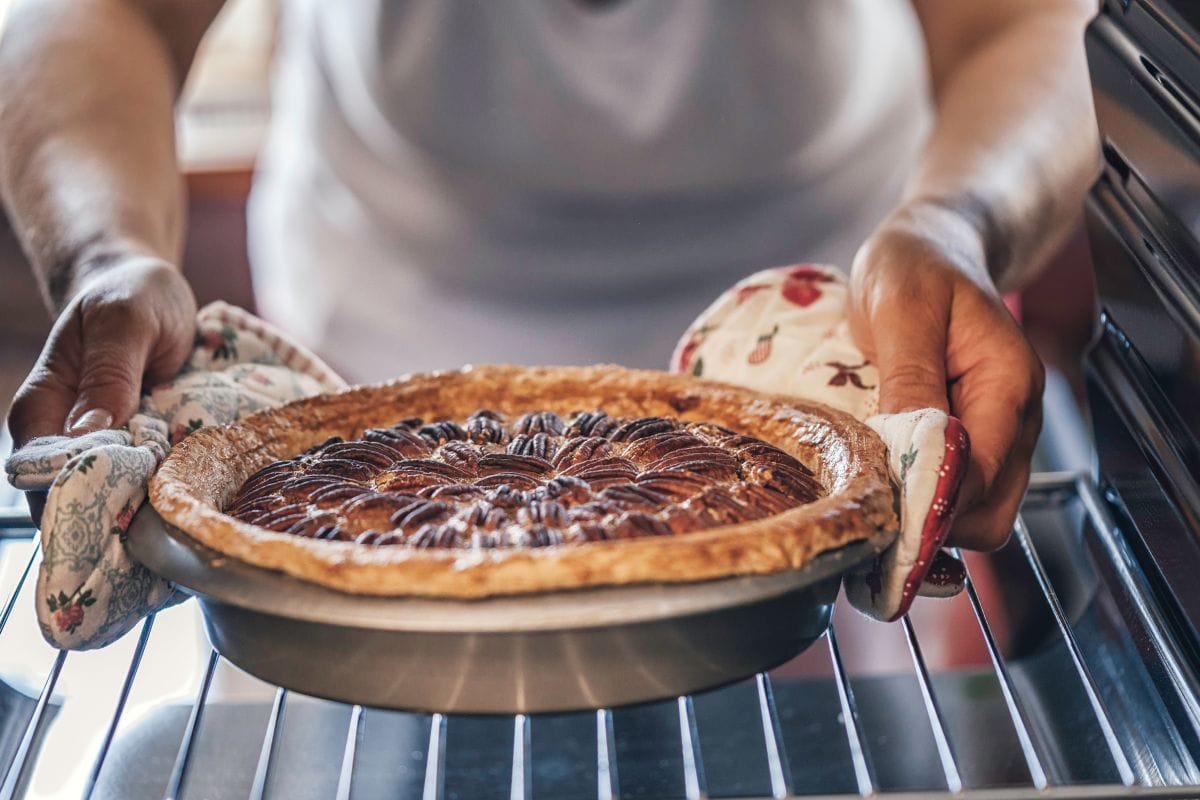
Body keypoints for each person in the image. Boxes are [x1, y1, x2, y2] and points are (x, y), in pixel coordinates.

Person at [0, 0, 1098, 552]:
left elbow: (1018, 22)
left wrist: (959, 222)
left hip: (829, 357)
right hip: (367, 373)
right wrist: (108, 251)